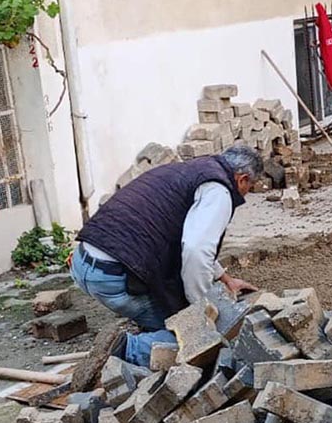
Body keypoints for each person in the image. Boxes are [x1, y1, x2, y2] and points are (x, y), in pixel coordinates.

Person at [71, 146, 263, 367]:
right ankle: (126, 350)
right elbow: (195, 250)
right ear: (243, 179)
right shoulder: (219, 191)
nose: (248, 193)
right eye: (251, 186)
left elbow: (190, 238)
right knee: (196, 340)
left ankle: (143, 332)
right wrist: (200, 313)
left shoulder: (192, 170)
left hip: (85, 262)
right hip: (113, 277)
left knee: (175, 307)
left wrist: (225, 279)